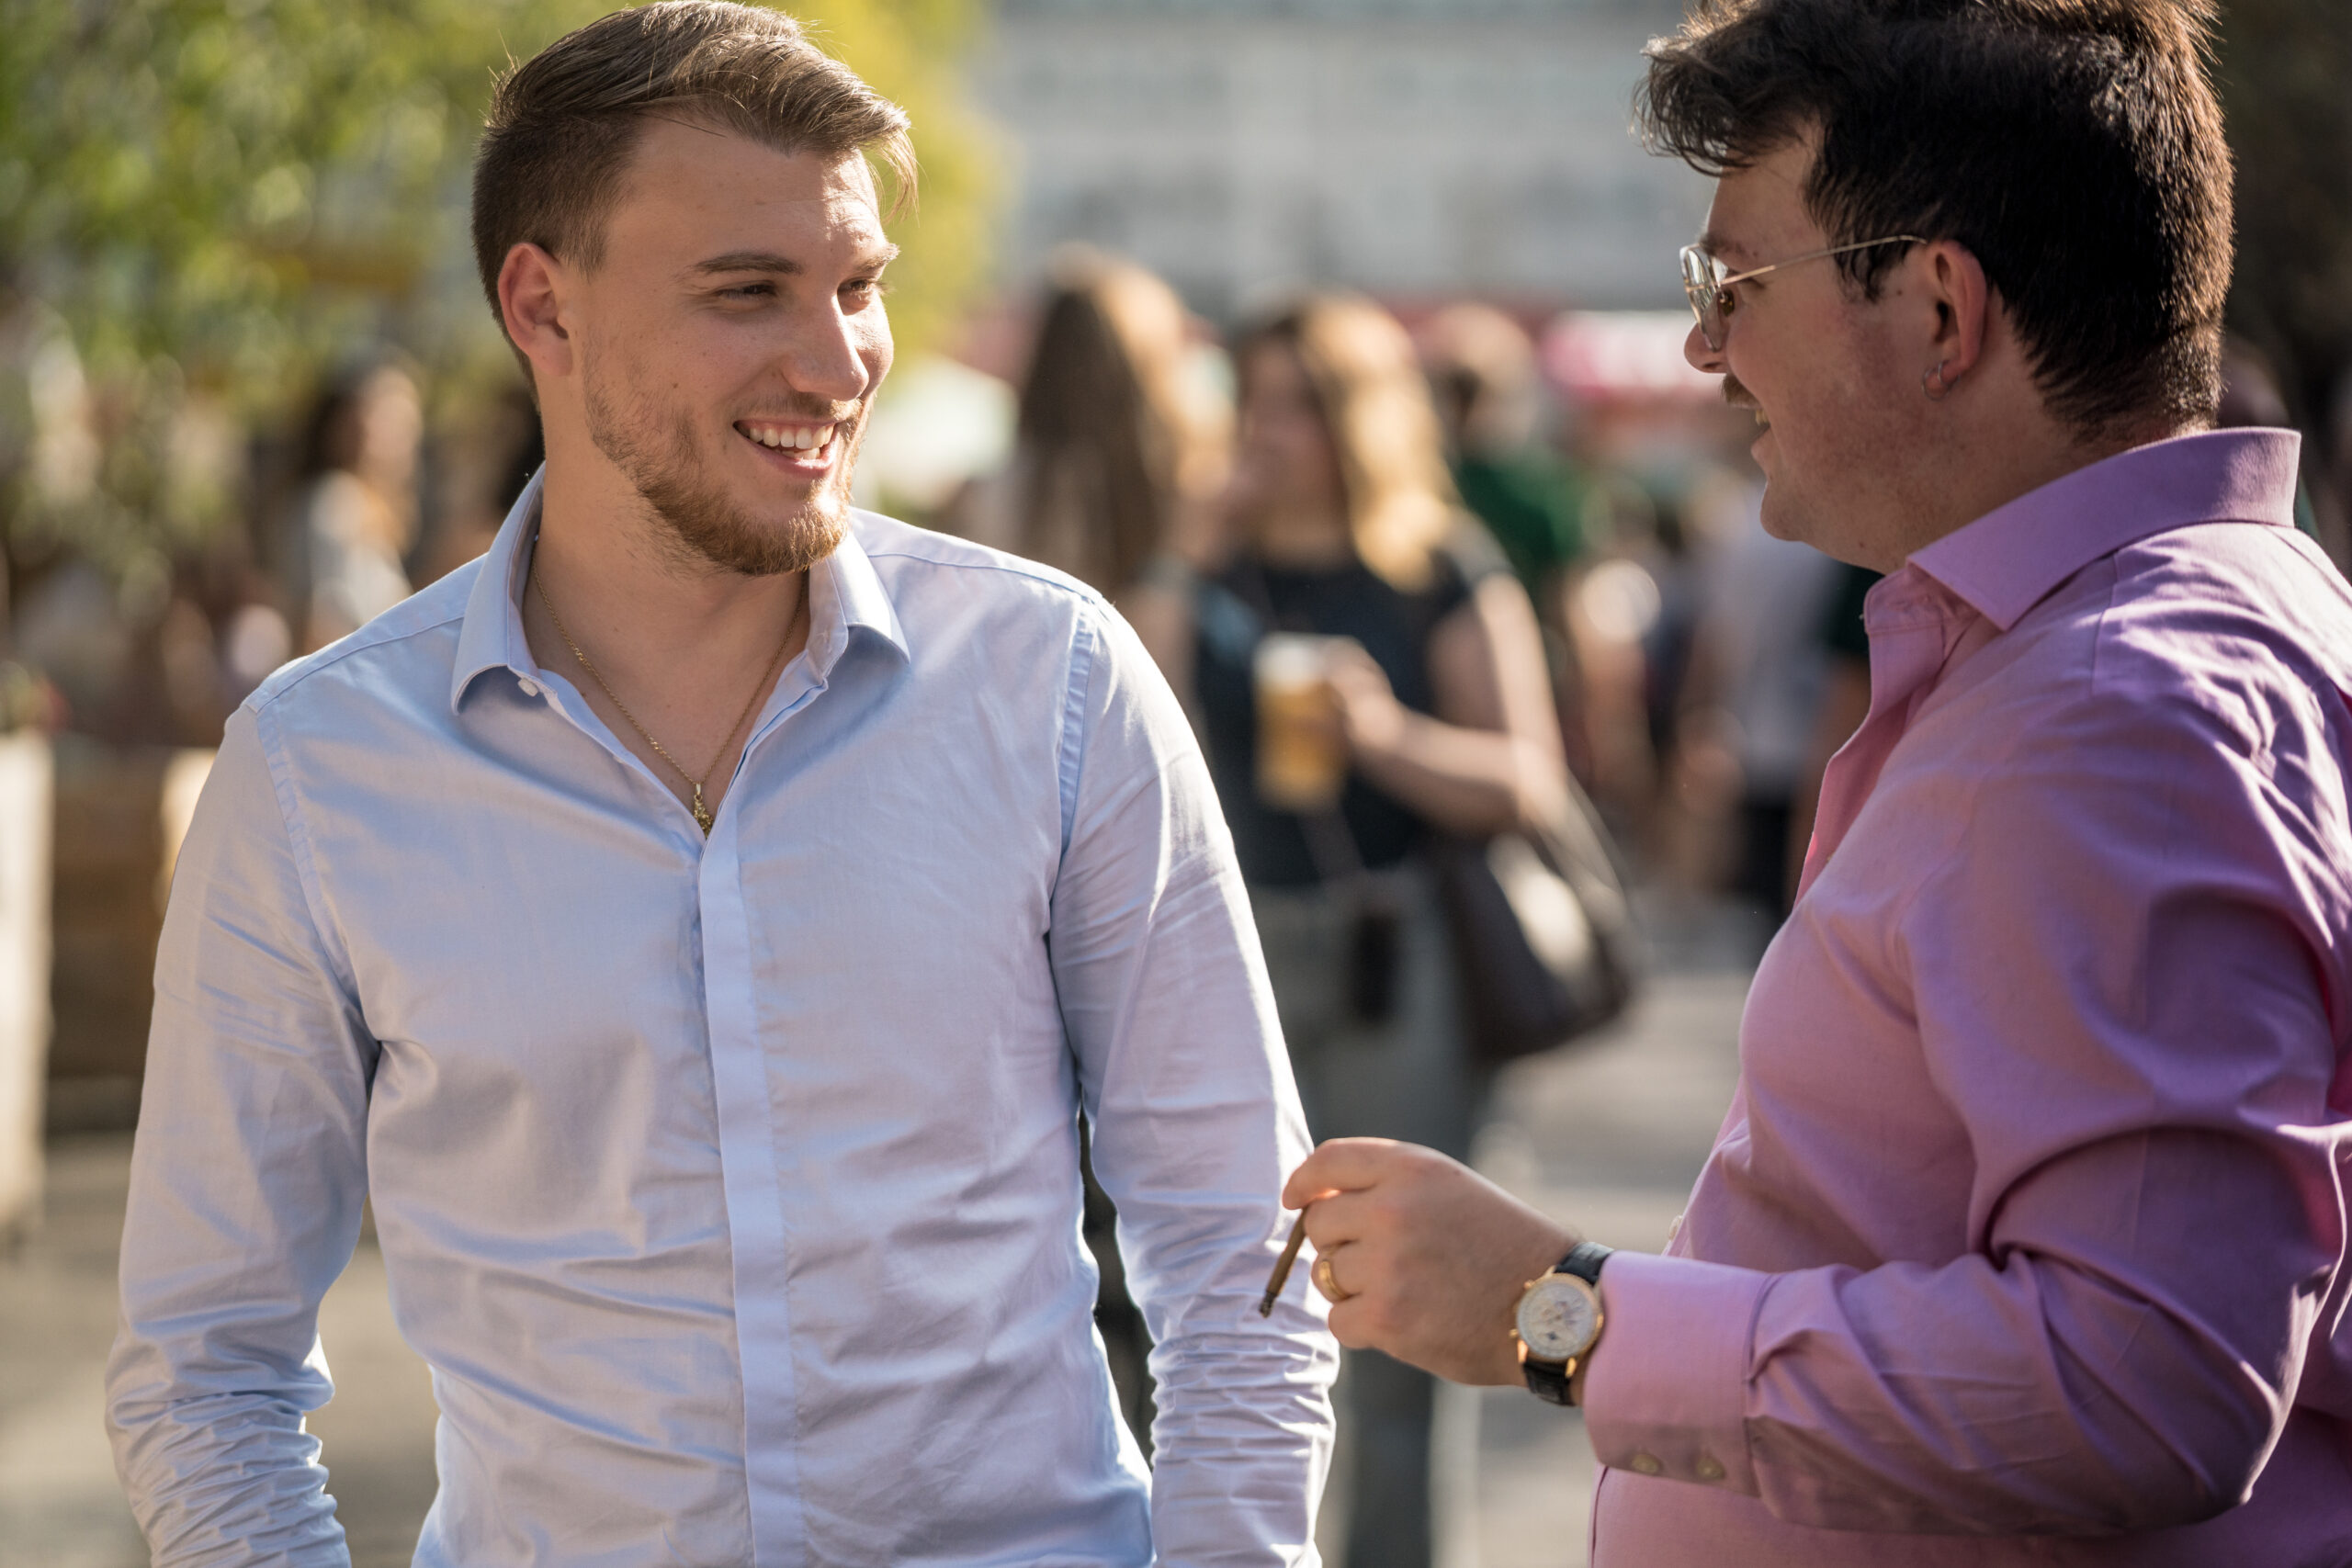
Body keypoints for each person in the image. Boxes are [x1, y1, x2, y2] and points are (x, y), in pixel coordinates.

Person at [105, 6, 1334, 1564]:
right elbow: (205, 1364)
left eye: (858, 288)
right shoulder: (317, 773)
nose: (836, 363)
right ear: (543, 307)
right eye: (748, 292)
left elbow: (1248, 1254)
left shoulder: (1054, 686)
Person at [1280, 0, 2352, 1563]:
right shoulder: (2202, 624)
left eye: (1731, 282)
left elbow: (2149, 1381)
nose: (1707, 348)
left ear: (1936, 310)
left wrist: (1557, 1312)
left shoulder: (2110, 708)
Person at [1185, 295, 1566, 1567]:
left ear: (1362, 416)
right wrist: (1185, 543)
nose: (1274, 430)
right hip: (1231, 951)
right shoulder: (1214, 565)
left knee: (1396, 1320)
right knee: (1237, 1301)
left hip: (1392, 951)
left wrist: (1382, 734)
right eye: (1256, 401)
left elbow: (1528, 779)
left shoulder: (1434, 559)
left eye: (1302, 402)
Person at [280, 361, 424, 653]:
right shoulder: (337, 501)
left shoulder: (354, 503)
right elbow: (324, 623)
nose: (407, 439)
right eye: (392, 420)